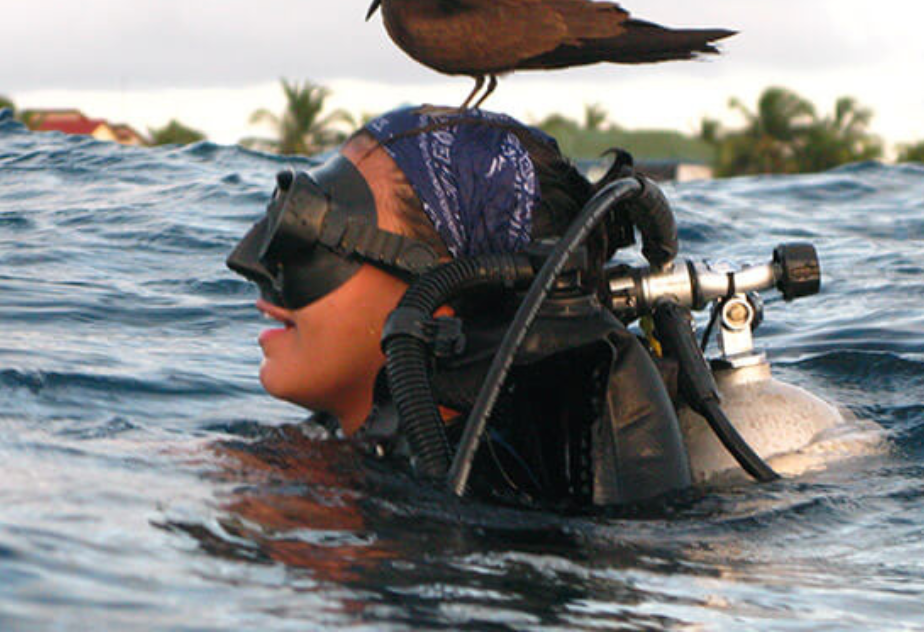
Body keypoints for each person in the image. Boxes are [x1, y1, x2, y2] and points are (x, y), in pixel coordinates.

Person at [226, 104, 870, 510]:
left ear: (446, 299)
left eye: (314, 232)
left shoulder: (491, 503)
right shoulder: (350, 458)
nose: (252, 261)